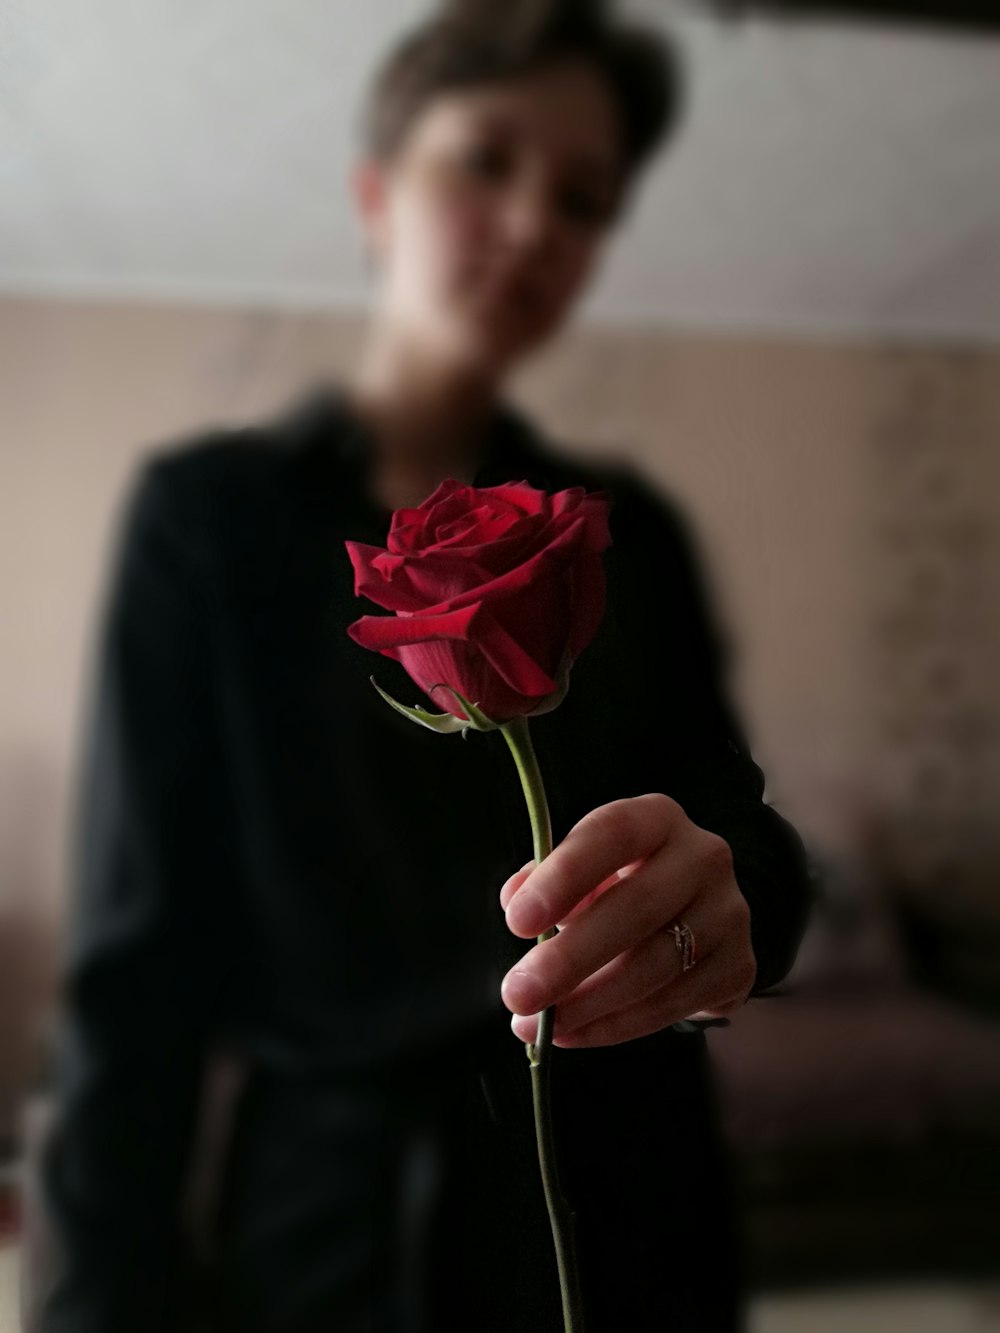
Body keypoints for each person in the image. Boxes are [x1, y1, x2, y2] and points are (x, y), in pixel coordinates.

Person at [37, 1, 814, 1330]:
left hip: (627, 1203)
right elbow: (134, 981)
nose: (532, 226)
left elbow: (750, 838)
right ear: (377, 192)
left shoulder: (624, 532)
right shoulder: (209, 521)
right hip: (335, 1228)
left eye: (581, 199)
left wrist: (737, 895)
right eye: (488, 162)